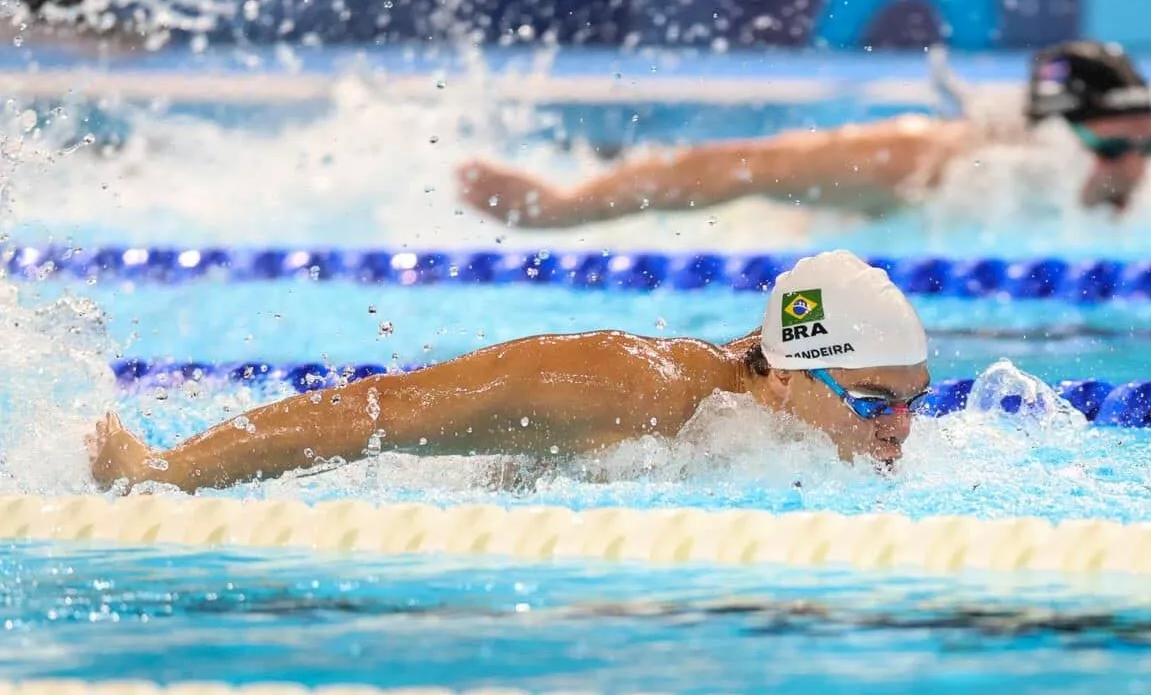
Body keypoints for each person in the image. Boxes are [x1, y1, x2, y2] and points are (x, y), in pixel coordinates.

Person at [90, 250, 932, 493]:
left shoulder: (819, 451)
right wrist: (167, 471)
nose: (900, 425)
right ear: (786, 376)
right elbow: (383, 412)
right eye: (871, 400)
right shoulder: (622, 385)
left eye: (912, 401)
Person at [454, 39, 1151, 226]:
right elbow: (738, 167)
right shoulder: (925, 162)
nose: (1135, 170)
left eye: (1146, 147)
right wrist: (565, 206)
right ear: (1051, 136)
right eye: (1113, 147)